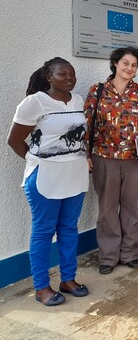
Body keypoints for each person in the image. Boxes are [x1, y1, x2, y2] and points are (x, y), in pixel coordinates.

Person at [7, 58, 90, 306]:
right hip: (45, 176)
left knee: (68, 228)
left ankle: (68, 279)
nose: (70, 78)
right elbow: (14, 141)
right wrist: (41, 160)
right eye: (63, 74)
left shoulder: (77, 100)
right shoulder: (34, 102)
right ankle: (41, 287)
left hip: (74, 174)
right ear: (48, 77)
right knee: (44, 232)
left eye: (72, 74)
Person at [84, 47, 138, 274]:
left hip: (135, 160)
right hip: (104, 158)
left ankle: (130, 253)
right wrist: (86, 154)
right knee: (107, 209)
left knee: (131, 209)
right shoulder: (98, 91)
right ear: (115, 63)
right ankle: (107, 256)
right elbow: (87, 124)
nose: (129, 68)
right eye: (125, 63)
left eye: (134, 65)